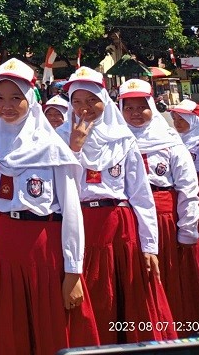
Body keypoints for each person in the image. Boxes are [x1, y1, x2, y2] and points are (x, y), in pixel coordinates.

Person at [0, 59, 98, 355]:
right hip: (5, 248)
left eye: (15, 97)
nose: (6, 106)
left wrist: (73, 271)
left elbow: (71, 212)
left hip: (44, 250)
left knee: (50, 327)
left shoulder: (53, 148)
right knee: (12, 329)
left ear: (30, 100)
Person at [58, 67, 175, 343]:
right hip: (81, 227)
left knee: (127, 297)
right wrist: (74, 148)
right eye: (77, 101)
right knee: (91, 299)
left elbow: (141, 195)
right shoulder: (59, 138)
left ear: (104, 100)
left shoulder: (123, 139)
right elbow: (63, 188)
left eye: (92, 100)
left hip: (120, 228)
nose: (84, 108)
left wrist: (149, 246)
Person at [119, 80, 199, 335]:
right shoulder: (116, 140)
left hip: (165, 219)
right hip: (131, 221)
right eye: (129, 108)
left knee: (168, 276)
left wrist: (187, 227)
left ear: (152, 106)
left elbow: (187, 186)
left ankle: (175, 329)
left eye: (142, 107)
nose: (136, 113)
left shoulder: (170, 141)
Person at [170, 98, 199, 283]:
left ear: (193, 120)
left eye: (182, 119)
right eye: (175, 119)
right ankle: (198, 270)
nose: (177, 123)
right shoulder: (177, 141)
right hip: (182, 188)